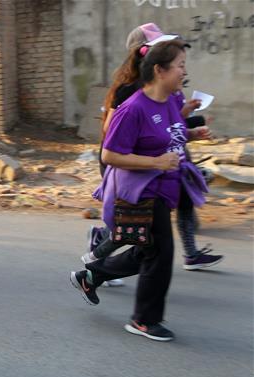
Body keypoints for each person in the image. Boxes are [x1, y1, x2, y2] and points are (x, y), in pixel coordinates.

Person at [70, 39, 209, 343]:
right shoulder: (132, 108)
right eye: (180, 66)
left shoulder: (172, 101)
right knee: (161, 252)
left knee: (147, 250)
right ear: (159, 70)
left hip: (167, 187)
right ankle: (144, 320)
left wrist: (193, 133)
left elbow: (171, 133)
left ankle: (91, 275)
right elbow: (109, 155)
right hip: (143, 190)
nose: (184, 72)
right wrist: (156, 162)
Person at [86, 23, 222, 273]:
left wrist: (188, 126)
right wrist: (153, 158)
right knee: (136, 232)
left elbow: (168, 125)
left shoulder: (164, 91)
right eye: (163, 49)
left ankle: (187, 255)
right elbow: (112, 137)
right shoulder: (129, 93)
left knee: (155, 234)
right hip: (133, 167)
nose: (181, 68)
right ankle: (98, 261)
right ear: (145, 54)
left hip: (164, 165)